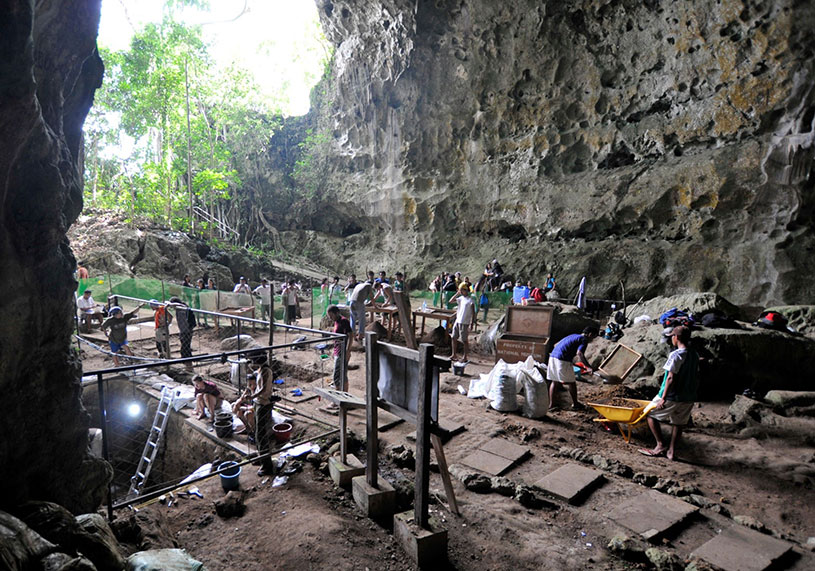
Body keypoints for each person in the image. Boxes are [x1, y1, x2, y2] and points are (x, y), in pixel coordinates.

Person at [639, 326, 699, 461]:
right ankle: (671, 452)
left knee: (650, 415)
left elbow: (670, 378)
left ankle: (660, 445)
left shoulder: (676, 354)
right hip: (688, 396)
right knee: (678, 423)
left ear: (676, 338)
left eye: (672, 336)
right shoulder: (694, 354)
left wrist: (663, 398)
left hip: (673, 395)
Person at [546, 326, 599, 410]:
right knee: (572, 382)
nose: (593, 340)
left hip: (553, 357)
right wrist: (588, 367)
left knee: (554, 381)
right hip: (562, 359)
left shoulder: (573, 335)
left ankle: (551, 405)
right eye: (594, 337)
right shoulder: (583, 339)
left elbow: (558, 344)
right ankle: (575, 404)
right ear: (590, 334)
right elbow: (580, 353)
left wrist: (569, 358)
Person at [250, 358, 276, 476]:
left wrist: (252, 395)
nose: (251, 362)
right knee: (258, 433)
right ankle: (262, 458)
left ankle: (267, 465)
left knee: (261, 435)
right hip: (258, 402)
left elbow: (264, 389)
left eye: (252, 360)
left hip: (264, 403)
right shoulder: (260, 370)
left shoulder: (266, 371)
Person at [327, 305, 353, 395]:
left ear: (337, 313)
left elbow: (350, 336)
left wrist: (348, 351)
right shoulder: (336, 321)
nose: (330, 318)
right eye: (329, 316)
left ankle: (340, 397)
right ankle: (344, 396)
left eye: (331, 316)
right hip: (337, 350)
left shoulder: (343, 321)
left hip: (342, 351)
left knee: (337, 375)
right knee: (341, 374)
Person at [450, 286, 476, 361]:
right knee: (453, 337)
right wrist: (457, 294)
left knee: (464, 340)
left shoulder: (470, 300)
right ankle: (453, 354)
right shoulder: (460, 298)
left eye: (462, 290)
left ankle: (465, 357)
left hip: (465, 322)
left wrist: (472, 323)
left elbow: (473, 312)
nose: (461, 291)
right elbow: (450, 301)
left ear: (466, 290)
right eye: (460, 290)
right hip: (458, 320)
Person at [169, 296, 195, 369]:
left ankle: (188, 364)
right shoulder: (179, 309)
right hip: (183, 330)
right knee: (185, 346)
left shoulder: (183, 308)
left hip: (187, 330)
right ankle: (187, 363)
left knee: (185, 347)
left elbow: (189, 320)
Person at [232, 373, 257, 438]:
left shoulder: (257, 391)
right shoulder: (248, 390)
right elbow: (240, 400)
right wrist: (237, 404)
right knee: (235, 407)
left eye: (254, 384)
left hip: (257, 409)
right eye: (250, 384)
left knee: (247, 413)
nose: (252, 386)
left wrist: (244, 408)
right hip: (250, 407)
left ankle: (254, 432)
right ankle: (248, 429)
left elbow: (255, 407)